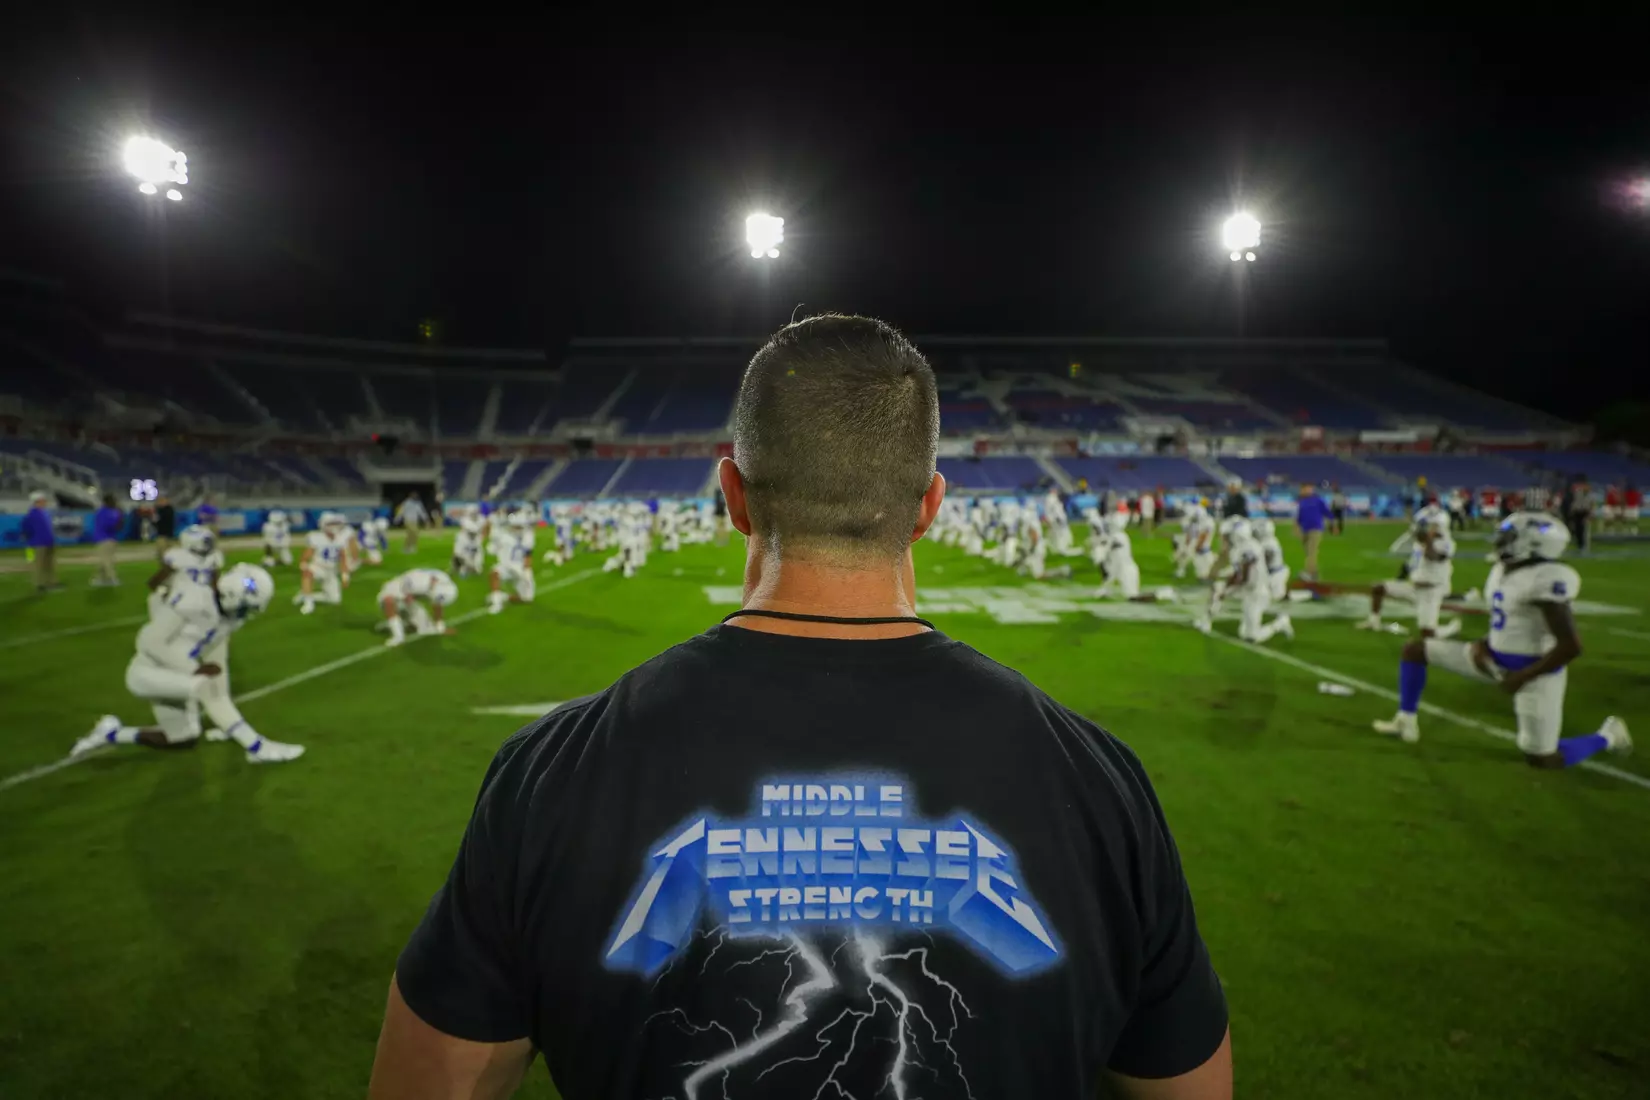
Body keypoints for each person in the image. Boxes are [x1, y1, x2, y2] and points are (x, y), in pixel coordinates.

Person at [369, 315, 1231, 1100]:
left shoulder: (548, 773)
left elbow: (429, 1081)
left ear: (733, 497)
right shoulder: (1101, 782)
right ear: (930, 507)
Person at [1371, 512, 1631, 765]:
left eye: (1509, 538)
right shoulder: (1502, 570)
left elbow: (1570, 646)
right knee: (1415, 650)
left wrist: (1522, 677)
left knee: (1542, 757)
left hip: (1535, 672)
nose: (1500, 542)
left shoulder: (1547, 578)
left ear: (1534, 544)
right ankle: (1405, 720)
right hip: (1492, 659)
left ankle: (1608, 735)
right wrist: (1483, 645)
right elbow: (1507, 623)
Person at [72, 563, 304, 764]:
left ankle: (110, 733)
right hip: (146, 672)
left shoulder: (228, 619)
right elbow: (148, 641)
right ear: (232, 595)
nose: (245, 614)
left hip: (174, 677)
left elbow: (214, 659)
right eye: (245, 607)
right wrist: (193, 669)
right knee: (204, 687)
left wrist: (215, 691)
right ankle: (257, 748)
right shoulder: (195, 600)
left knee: (183, 738)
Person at [1358, 510, 1460, 638]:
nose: (1428, 528)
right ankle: (1373, 622)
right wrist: (1410, 535)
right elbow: (1396, 550)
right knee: (1378, 588)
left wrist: (1427, 540)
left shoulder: (1446, 543)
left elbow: (1432, 557)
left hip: (1430, 592)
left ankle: (1451, 629)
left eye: (1432, 525)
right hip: (1413, 587)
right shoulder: (1420, 543)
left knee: (1427, 634)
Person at [378, 568, 459, 647]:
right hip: (398, 588)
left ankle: (401, 623)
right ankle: (398, 636)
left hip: (415, 591)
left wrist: (440, 627)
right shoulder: (416, 582)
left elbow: (437, 604)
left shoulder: (443, 582)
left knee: (425, 629)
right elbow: (407, 598)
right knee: (389, 601)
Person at [23, 491, 60, 593]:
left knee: (50, 564)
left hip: (48, 542)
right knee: (39, 565)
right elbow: (26, 528)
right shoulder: (32, 514)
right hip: (38, 543)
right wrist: (32, 540)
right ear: (37, 501)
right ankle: (39, 584)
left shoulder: (45, 513)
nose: (45, 502)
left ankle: (51, 582)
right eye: (43, 500)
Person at [1295, 484, 1330, 581]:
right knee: (1309, 552)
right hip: (1305, 529)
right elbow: (1300, 516)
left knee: (1311, 552)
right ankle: (1314, 573)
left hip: (1315, 529)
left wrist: (1333, 523)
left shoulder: (1318, 500)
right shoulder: (1302, 502)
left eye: (1307, 489)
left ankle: (1309, 573)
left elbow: (1327, 512)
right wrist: (1297, 528)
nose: (1304, 491)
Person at [91, 493, 125, 587]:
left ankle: (109, 579)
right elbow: (117, 526)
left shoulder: (103, 512)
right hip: (108, 538)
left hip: (104, 538)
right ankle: (104, 579)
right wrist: (119, 517)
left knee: (105, 560)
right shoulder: (111, 512)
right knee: (105, 560)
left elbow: (112, 526)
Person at [154, 494, 177, 559]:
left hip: (168, 534)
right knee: (161, 552)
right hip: (161, 534)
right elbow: (156, 523)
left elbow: (164, 519)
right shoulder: (159, 510)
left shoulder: (169, 510)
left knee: (168, 552)